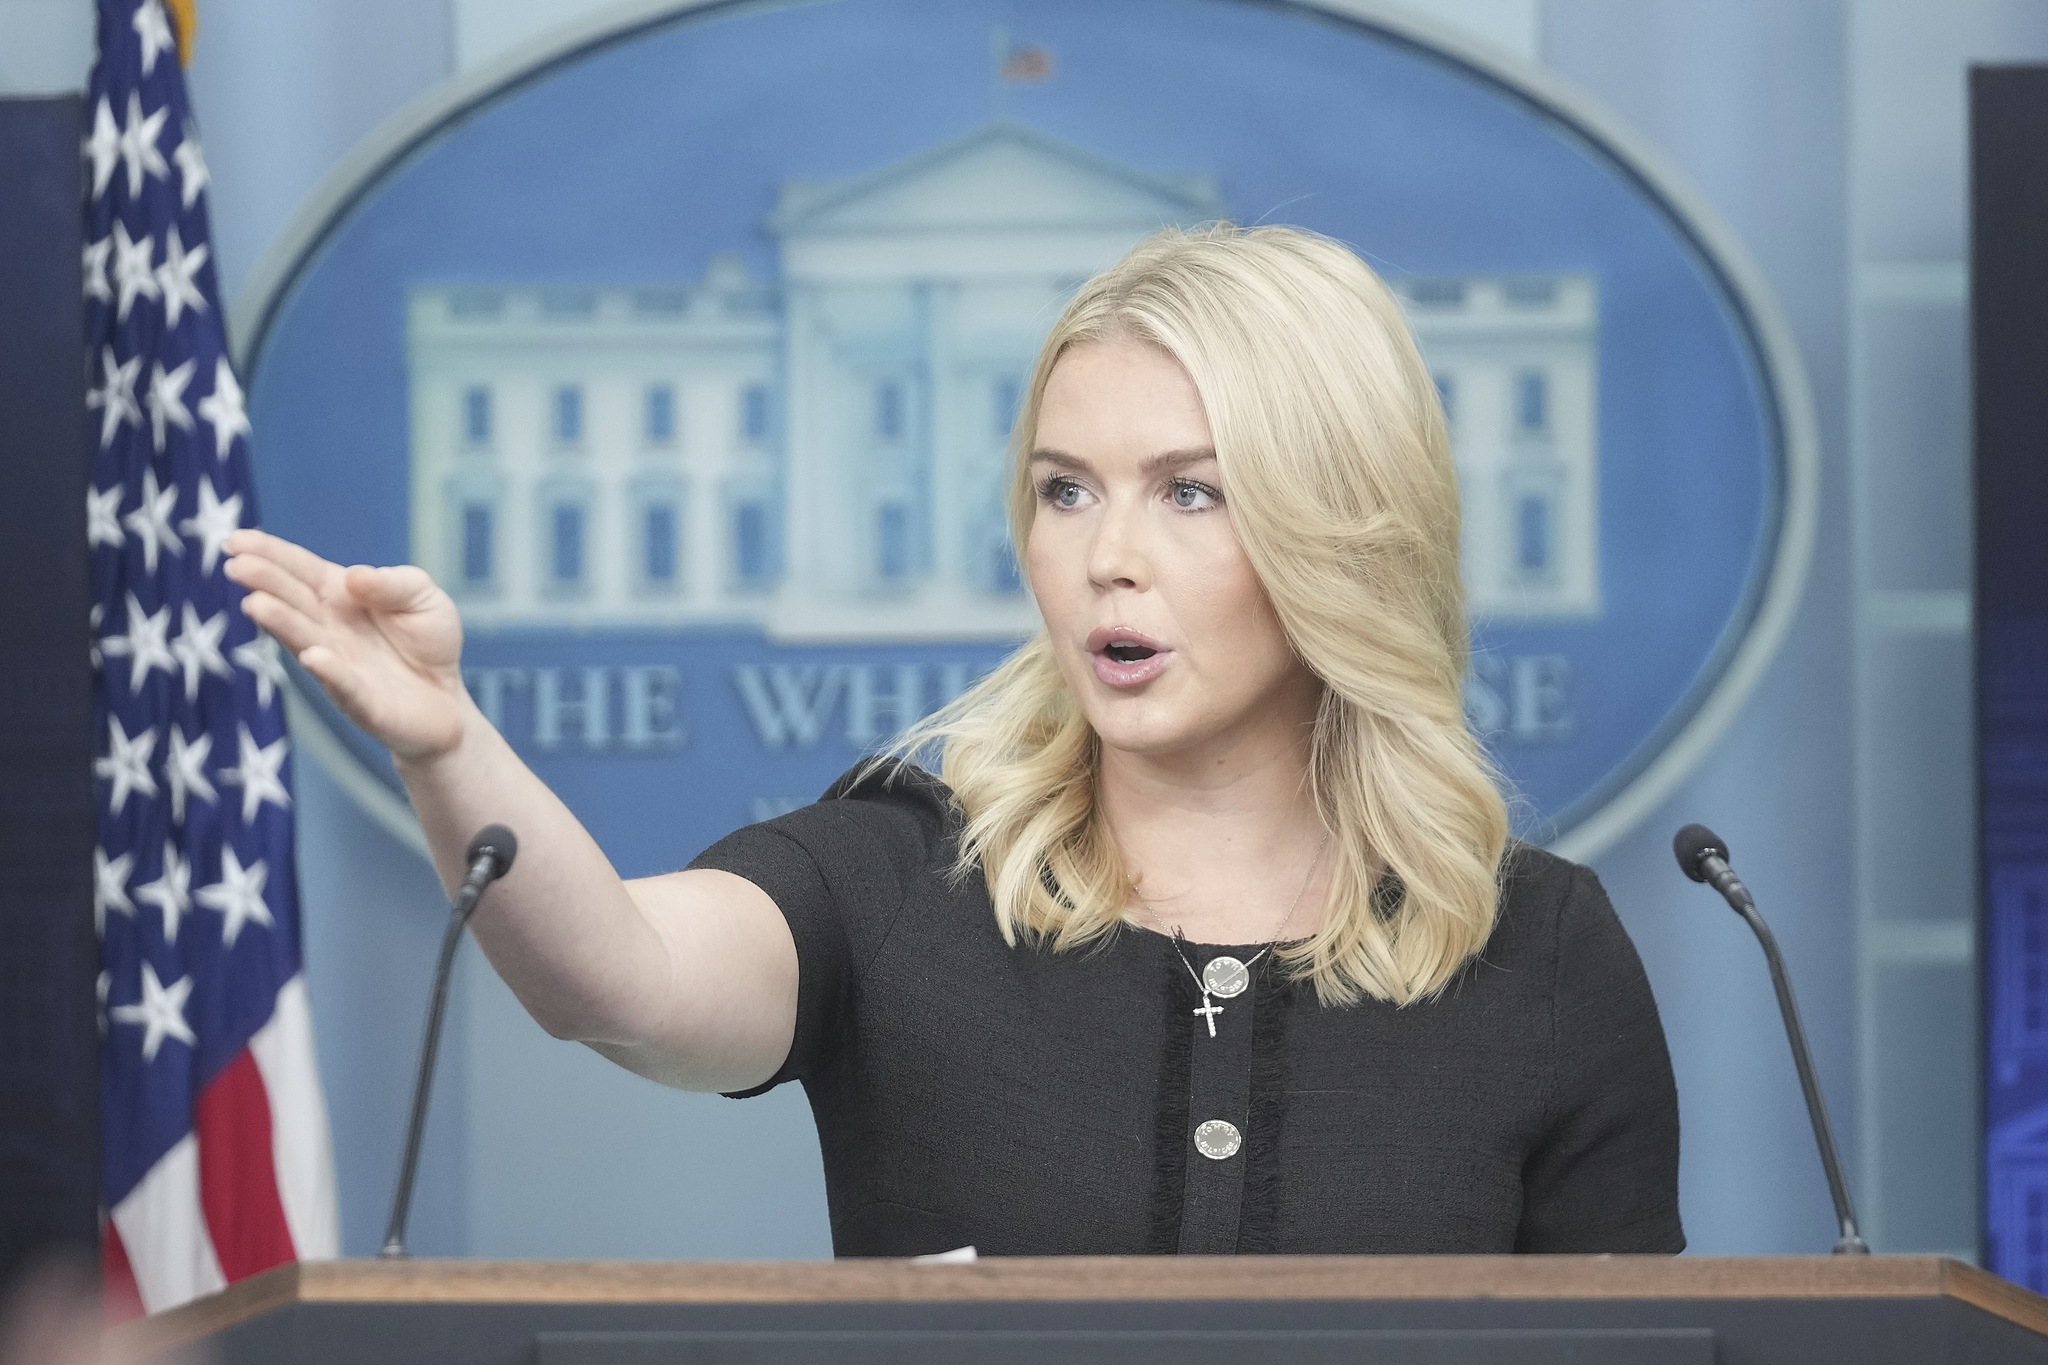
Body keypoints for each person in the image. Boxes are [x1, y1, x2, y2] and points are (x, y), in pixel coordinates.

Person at [224, 223, 1683, 1258]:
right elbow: (619, 974)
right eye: (1064, 490)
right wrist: (446, 739)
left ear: (1344, 523)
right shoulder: (902, 874)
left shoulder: (1539, 947)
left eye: (1190, 492)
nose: (1107, 555)